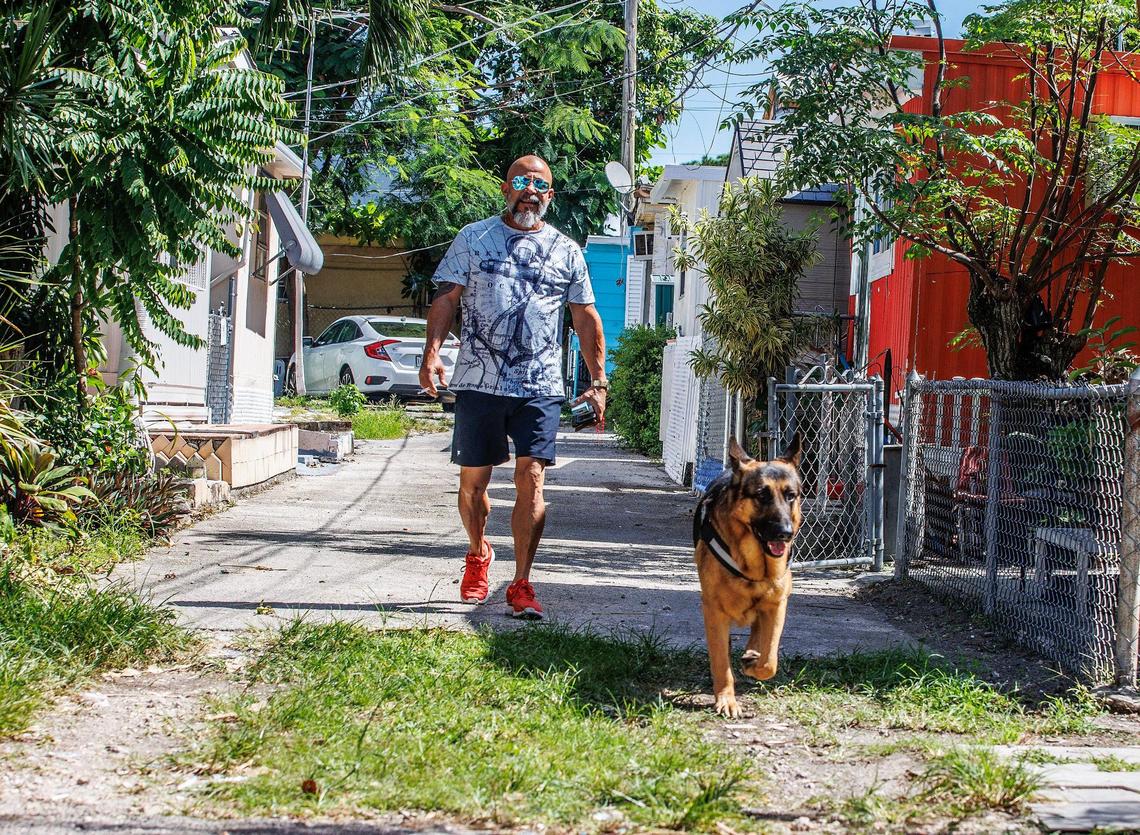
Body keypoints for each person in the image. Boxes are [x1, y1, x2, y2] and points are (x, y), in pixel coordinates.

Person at [418, 154, 608, 619]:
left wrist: (598, 381)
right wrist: (430, 354)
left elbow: (584, 317)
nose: (529, 190)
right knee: (473, 485)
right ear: (506, 189)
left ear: (550, 195)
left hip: (539, 382)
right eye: (520, 181)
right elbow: (446, 298)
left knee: (533, 479)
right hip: (479, 379)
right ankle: (479, 552)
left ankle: (522, 582)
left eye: (538, 184)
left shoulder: (567, 251)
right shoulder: (473, 237)